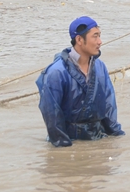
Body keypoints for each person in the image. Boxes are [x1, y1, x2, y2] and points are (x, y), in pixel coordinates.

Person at [36, 16, 124, 147]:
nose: (100, 41)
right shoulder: (56, 72)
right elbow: (52, 116)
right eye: (95, 36)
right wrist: (64, 149)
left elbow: (109, 106)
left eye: (99, 36)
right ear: (79, 40)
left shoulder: (100, 67)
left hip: (98, 137)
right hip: (70, 139)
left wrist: (116, 137)